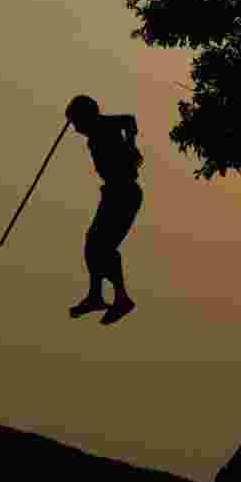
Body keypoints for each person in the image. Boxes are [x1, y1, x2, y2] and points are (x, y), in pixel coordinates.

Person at [65, 95, 144, 325]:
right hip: (114, 193)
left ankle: (120, 298)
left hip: (124, 194)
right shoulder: (96, 132)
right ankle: (96, 295)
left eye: (76, 122)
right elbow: (127, 121)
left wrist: (131, 145)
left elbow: (129, 120)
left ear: (85, 116)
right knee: (94, 244)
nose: (75, 128)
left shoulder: (101, 127)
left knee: (103, 246)